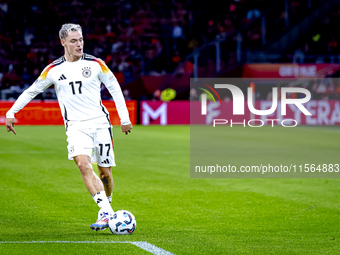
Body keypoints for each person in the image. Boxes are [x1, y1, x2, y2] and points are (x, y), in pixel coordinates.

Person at [5, 23, 133, 231]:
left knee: (105, 174)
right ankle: (107, 213)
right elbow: (31, 91)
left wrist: (124, 118)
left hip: (100, 124)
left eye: (81, 40)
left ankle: (107, 205)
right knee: (83, 165)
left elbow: (115, 89)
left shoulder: (96, 64)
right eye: (73, 41)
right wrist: (11, 113)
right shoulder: (53, 70)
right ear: (62, 42)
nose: (79, 44)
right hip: (75, 127)